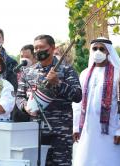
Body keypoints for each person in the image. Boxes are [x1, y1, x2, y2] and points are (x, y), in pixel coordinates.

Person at [16, 35, 82, 165]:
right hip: (36, 132)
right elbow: (19, 98)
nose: (38, 50)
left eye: (42, 47)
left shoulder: (67, 70)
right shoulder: (28, 72)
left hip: (60, 132)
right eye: (36, 48)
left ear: (52, 48)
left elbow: (78, 96)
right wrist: (25, 107)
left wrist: (58, 83)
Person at [72, 37, 120, 166]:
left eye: (102, 49)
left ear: (108, 52)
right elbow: (78, 102)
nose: (97, 51)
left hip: (111, 129)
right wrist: (75, 127)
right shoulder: (84, 74)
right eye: (95, 48)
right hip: (87, 128)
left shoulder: (118, 75)